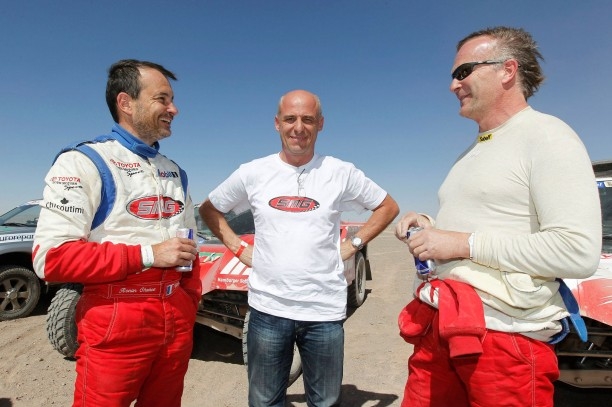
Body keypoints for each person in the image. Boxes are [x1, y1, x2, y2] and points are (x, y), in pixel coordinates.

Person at [394, 26, 602, 407]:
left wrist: (462, 243)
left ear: (507, 70)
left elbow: (577, 251)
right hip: (442, 326)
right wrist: (429, 227)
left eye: (463, 72)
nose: (453, 85)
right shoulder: (473, 150)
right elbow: (484, 225)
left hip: (504, 341)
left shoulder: (548, 136)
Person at [199, 89, 399, 407]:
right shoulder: (253, 172)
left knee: (325, 402)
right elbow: (210, 209)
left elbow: (387, 207)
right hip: (267, 310)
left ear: (320, 124)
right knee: (264, 401)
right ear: (277, 123)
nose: (298, 127)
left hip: (324, 313)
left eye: (308, 119)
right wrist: (237, 248)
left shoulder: (340, 172)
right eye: (290, 119)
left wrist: (353, 245)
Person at [33, 59, 202, 407]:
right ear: (126, 102)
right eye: (162, 99)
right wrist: (149, 254)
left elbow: (190, 248)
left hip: (175, 317)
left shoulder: (174, 171)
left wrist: (187, 303)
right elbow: (51, 259)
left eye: (172, 100)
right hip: (116, 315)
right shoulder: (83, 161)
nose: (174, 109)